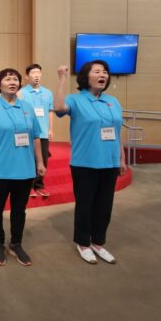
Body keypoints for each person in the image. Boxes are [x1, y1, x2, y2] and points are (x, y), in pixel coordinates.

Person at [54, 61, 127, 265]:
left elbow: (117, 132)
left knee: (104, 206)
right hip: (85, 162)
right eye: (97, 71)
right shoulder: (75, 100)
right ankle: (83, 243)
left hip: (110, 162)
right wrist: (61, 78)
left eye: (105, 72)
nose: (103, 74)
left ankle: (98, 243)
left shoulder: (113, 101)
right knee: (85, 206)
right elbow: (58, 108)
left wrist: (121, 158)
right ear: (86, 76)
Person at [0, 68, 46, 267]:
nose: (12, 82)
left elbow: (36, 136)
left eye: (15, 79)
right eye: (7, 79)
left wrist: (39, 162)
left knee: (19, 210)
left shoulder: (27, 107)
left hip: (24, 169)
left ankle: (16, 243)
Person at [18, 64, 54, 198]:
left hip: (43, 132)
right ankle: (27, 187)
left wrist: (50, 129)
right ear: (27, 76)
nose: (37, 75)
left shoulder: (48, 93)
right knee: (28, 159)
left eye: (39, 72)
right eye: (33, 73)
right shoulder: (21, 92)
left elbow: (50, 111)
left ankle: (39, 185)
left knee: (43, 160)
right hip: (26, 133)